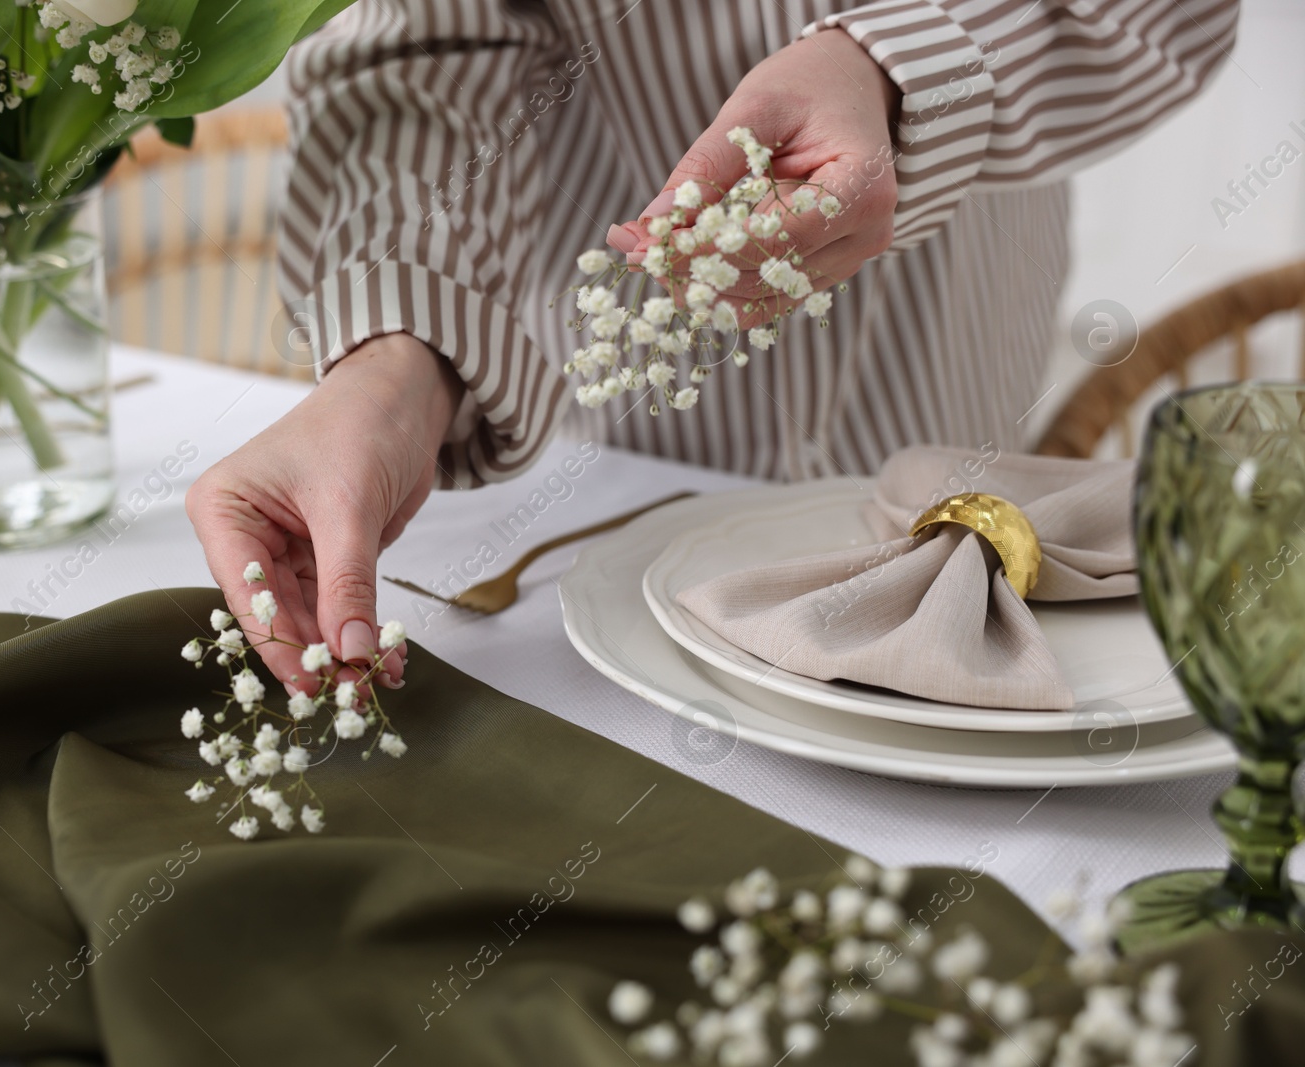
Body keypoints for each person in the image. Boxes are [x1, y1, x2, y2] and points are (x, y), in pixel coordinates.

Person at [187, 0, 1238, 689]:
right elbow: (423, 42)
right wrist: (397, 356)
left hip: (955, 326)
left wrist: (903, 69)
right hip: (612, 420)